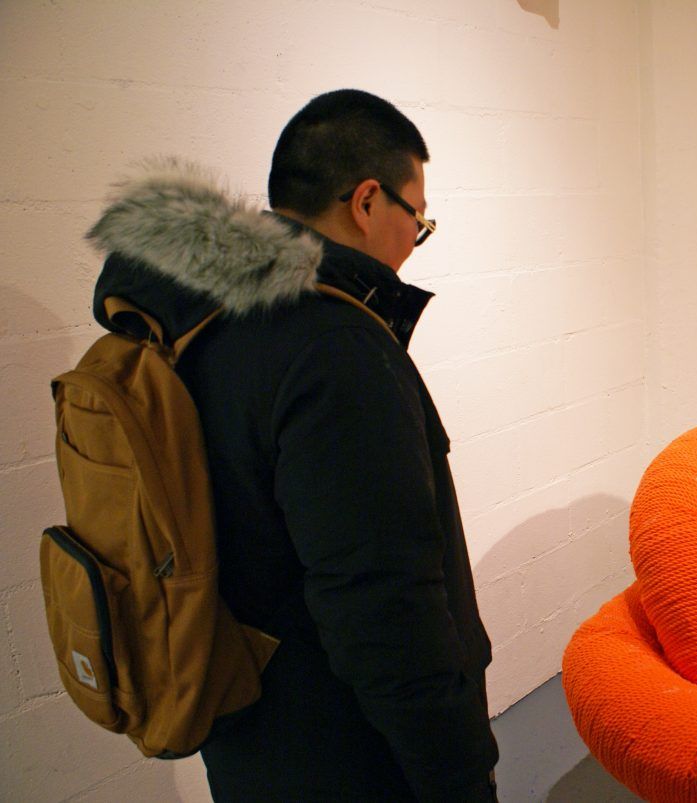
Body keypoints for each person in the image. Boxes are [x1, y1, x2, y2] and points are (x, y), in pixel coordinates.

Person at [85, 89, 499, 801]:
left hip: (247, 729)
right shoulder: (334, 349)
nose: (414, 241)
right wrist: (459, 777)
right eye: (417, 221)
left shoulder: (197, 325)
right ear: (366, 201)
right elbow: (381, 608)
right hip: (351, 753)